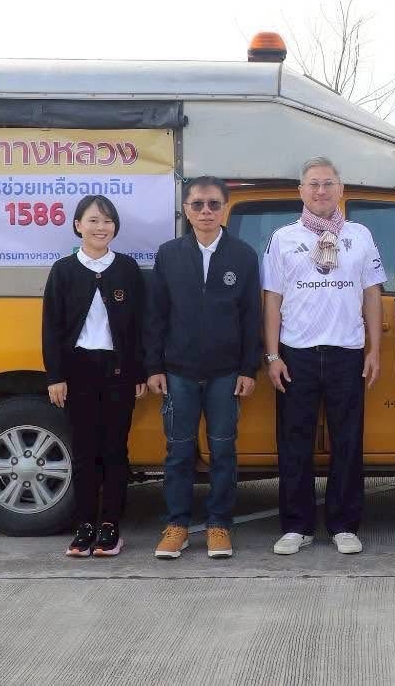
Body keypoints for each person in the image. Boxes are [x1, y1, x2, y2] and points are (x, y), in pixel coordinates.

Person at [262, 156, 386, 555]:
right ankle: (296, 526)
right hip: (296, 352)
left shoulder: (360, 236)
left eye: (328, 183)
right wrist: (272, 356)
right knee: (294, 442)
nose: (321, 191)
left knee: (347, 441)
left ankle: (344, 525)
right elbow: (272, 299)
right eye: (313, 184)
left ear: (340, 189)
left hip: (347, 352)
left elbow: (372, 294)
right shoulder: (283, 238)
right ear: (301, 191)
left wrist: (375, 349)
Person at [145, 176, 262, 560]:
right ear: (186, 210)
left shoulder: (243, 255)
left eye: (213, 204)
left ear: (225, 208)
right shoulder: (169, 254)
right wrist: (154, 366)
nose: (206, 211)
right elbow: (156, 314)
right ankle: (177, 526)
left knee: (223, 452)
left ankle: (218, 525)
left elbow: (251, 317)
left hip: (226, 373)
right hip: (178, 372)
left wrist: (248, 369)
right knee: (178, 452)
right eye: (197, 204)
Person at [42, 194, 147, 557]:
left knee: (115, 449)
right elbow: (51, 327)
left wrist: (139, 371)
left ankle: (110, 526)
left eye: (107, 221)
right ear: (78, 225)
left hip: (118, 371)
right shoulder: (64, 270)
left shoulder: (127, 269)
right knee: (84, 451)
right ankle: (85, 524)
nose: (101, 227)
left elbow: (139, 325)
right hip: (78, 371)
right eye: (93, 220)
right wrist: (55, 376)